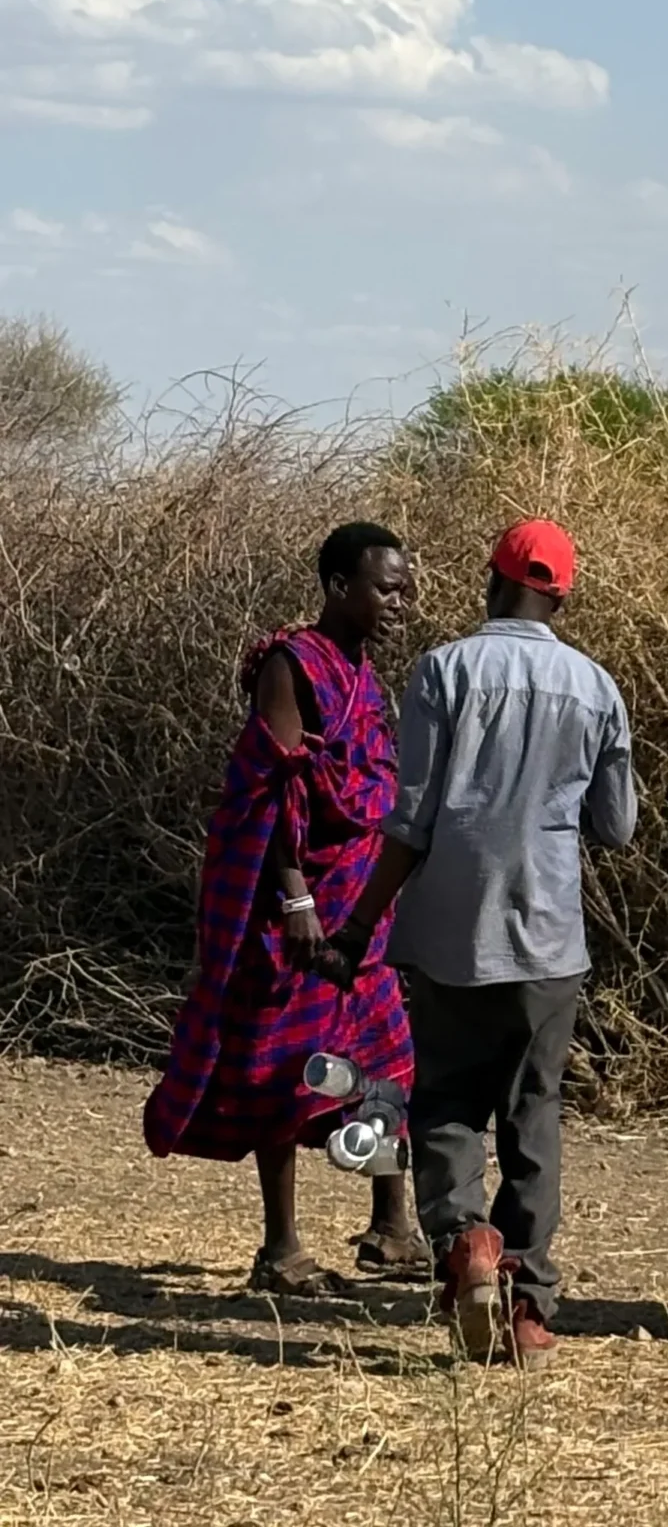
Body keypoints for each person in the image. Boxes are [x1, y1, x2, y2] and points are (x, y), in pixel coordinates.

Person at [322, 519, 637, 1370]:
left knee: (449, 1101)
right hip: (547, 935)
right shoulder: (595, 687)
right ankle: (529, 1301)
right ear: (561, 595)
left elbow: (412, 816)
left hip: (451, 931)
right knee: (532, 1111)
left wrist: (357, 927)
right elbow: (616, 826)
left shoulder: (442, 671)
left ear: (490, 579)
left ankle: (464, 1244)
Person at [144, 522, 423, 1296]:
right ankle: (281, 1247)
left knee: (386, 1059)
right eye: (386, 588)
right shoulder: (290, 664)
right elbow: (274, 787)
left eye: (406, 588)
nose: (402, 602)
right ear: (339, 587)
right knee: (288, 1069)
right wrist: (296, 894)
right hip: (298, 907)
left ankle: (393, 1228)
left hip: (359, 901)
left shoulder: (362, 671)